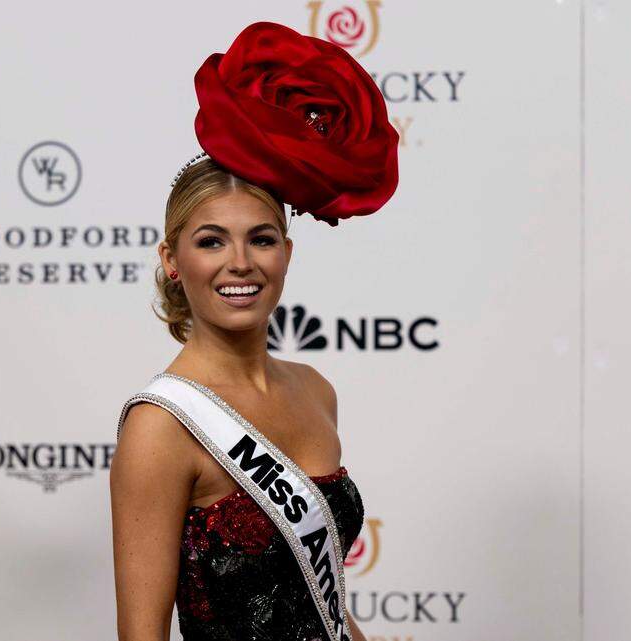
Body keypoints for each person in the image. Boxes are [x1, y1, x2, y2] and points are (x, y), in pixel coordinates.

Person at [110, 21, 399, 641]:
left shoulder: (316, 390)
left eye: (260, 239)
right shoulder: (161, 426)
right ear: (171, 259)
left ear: (286, 255)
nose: (240, 262)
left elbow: (316, 601)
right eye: (211, 241)